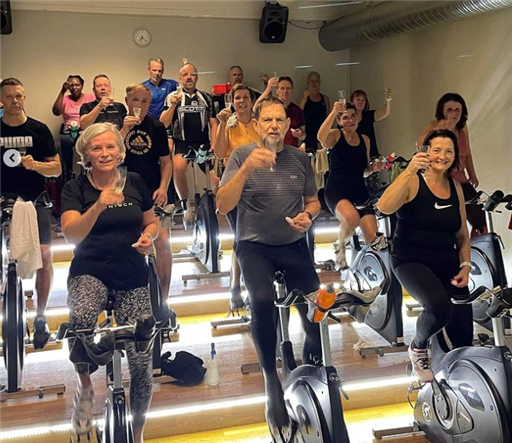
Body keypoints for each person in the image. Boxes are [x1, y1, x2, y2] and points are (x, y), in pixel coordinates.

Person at [217, 96, 322, 441]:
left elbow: (312, 200)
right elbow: (222, 204)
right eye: (268, 120)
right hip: (254, 246)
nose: (274, 125)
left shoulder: (300, 158)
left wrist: (308, 215)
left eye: (280, 120)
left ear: (288, 125)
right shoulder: (240, 155)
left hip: (292, 244)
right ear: (257, 124)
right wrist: (247, 168)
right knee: (261, 300)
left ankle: (311, 356)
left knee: (315, 308)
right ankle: (269, 378)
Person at [60, 122, 159, 443]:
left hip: (131, 273)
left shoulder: (135, 182)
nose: (104, 153)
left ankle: (138, 431)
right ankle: (85, 385)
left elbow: (152, 222)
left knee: (142, 362)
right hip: (90, 270)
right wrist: (99, 205)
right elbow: (71, 234)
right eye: (96, 148)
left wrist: (148, 236)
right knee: (81, 320)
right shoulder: (75, 188)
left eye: (110, 147)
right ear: (86, 154)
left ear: (120, 151)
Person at [378, 129, 473, 383]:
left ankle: (458, 380)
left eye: (448, 151)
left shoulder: (455, 187)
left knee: (463, 331)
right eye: (436, 150)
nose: (442, 156)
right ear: (426, 152)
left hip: (446, 260)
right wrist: (409, 170)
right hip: (410, 259)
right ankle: (418, 348)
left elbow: (462, 234)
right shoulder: (413, 180)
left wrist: (465, 265)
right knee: (438, 306)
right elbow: (383, 207)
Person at [0, 78, 62, 349]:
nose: (15, 101)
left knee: (45, 255)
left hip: (35, 200)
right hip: (2, 200)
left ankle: (40, 316)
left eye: (19, 96)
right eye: (9, 97)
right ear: (1, 100)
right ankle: (8, 310)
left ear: (25, 97)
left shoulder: (39, 130)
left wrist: (36, 165)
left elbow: (56, 169)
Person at [121, 83, 173, 304]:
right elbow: (111, 157)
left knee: (163, 241)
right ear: (127, 101)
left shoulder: (157, 126)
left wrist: (163, 187)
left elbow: (166, 162)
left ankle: (164, 299)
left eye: (144, 102)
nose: (139, 106)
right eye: (135, 100)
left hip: (153, 190)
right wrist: (124, 131)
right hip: (124, 192)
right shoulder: (115, 125)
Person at [317, 101, 383, 269]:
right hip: (337, 190)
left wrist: (373, 168)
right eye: (345, 118)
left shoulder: (365, 140)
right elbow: (321, 138)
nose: (350, 120)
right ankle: (339, 247)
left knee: (373, 239)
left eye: (353, 116)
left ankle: (362, 270)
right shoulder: (336, 135)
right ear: (339, 121)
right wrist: (333, 112)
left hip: (359, 190)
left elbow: (364, 171)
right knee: (351, 217)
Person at [214, 83, 259, 309]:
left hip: (258, 186)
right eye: (237, 98)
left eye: (245, 98)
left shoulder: (260, 124)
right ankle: (235, 286)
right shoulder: (229, 124)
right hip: (234, 185)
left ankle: (251, 285)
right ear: (232, 102)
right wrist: (222, 125)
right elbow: (220, 152)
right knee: (241, 237)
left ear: (252, 102)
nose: (241, 101)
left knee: (255, 238)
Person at [417, 93, 485, 237]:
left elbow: (467, 152)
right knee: (451, 221)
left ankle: (476, 246)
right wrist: (439, 128)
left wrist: (472, 174)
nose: (453, 114)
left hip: (461, 180)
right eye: (449, 110)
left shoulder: (462, 128)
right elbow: (419, 145)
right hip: (442, 180)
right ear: (442, 111)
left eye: (457, 110)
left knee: (480, 218)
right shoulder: (435, 125)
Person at [160, 63, 218, 229]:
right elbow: (163, 123)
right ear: (180, 78)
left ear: (197, 77)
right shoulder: (172, 97)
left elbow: (214, 124)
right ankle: (186, 207)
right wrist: (173, 105)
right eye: (185, 75)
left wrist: (214, 146)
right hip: (182, 143)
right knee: (178, 166)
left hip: (202, 142)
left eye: (192, 74)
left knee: (213, 176)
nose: (189, 77)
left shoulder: (205, 97)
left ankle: (214, 206)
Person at [52, 75, 95, 178]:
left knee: (89, 142)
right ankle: (69, 171)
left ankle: (88, 170)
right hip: (69, 131)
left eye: (77, 85)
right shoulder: (65, 99)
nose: (74, 88)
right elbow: (56, 112)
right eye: (71, 85)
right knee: (65, 140)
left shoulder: (90, 98)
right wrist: (62, 91)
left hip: (85, 130)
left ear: (82, 86)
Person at [258, 76, 305, 148]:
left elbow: (304, 136)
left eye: (288, 88)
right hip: (272, 148)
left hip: (292, 150)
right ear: (277, 90)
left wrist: (300, 134)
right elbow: (255, 108)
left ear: (292, 90)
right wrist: (268, 88)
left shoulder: (297, 110)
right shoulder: (270, 108)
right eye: (282, 88)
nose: (285, 91)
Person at [298, 71, 331, 153]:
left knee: (322, 157)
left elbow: (328, 116)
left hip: (321, 133)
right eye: (312, 81)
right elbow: (298, 112)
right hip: (308, 133)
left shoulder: (325, 98)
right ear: (308, 83)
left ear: (319, 83)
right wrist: (305, 97)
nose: (314, 83)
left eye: (316, 81)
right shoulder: (304, 97)